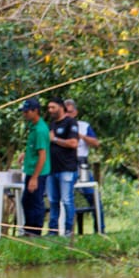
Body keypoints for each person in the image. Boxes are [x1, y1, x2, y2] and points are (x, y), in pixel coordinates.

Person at [46, 99, 81, 235]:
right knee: (52, 201)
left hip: (67, 168)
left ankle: (68, 230)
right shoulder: (52, 124)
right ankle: (53, 230)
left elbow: (73, 143)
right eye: (49, 108)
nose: (50, 110)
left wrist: (55, 139)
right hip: (52, 168)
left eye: (53, 107)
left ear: (61, 107)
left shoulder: (71, 122)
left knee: (67, 200)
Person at [19, 99, 50, 235]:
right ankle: (28, 228)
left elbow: (42, 155)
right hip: (31, 169)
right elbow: (35, 148)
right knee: (27, 201)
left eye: (27, 112)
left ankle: (35, 231)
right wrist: (25, 154)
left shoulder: (40, 130)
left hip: (38, 172)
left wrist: (35, 178)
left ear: (35, 111)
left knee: (35, 202)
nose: (24, 114)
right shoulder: (33, 126)